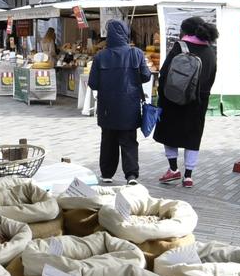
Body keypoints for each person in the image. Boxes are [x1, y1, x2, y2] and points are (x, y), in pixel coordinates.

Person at [154, 16, 219, 187]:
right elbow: (211, 77)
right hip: (198, 102)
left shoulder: (179, 47)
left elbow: (164, 74)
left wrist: (162, 95)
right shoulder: (210, 51)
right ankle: (188, 176)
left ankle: (173, 169)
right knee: (193, 136)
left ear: (185, 31)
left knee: (170, 133)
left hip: (173, 100)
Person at [89, 19, 151, 182]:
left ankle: (107, 174)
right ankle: (131, 175)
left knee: (108, 140)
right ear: (125, 34)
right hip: (129, 105)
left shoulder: (100, 56)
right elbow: (146, 76)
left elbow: (93, 83)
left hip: (107, 107)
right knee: (129, 140)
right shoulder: (136, 53)